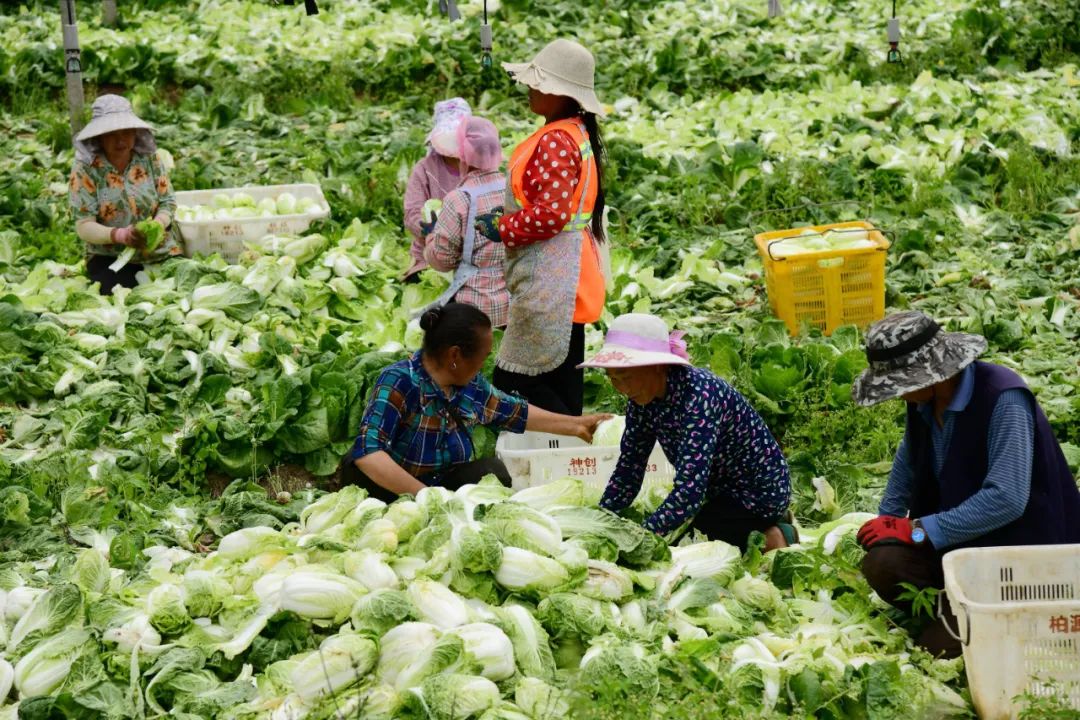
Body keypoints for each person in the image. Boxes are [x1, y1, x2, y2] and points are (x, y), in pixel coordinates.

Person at [852, 310, 1080, 658]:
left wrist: (916, 530)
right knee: (882, 563)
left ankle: (990, 619)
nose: (897, 395)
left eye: (899, 386)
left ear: (928, 374)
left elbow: (1006, 499)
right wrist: (887, 521)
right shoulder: (924, 401)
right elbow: (908, 460)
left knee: (935, 650)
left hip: (1021, 561)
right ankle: (956, 608)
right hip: (962, 550)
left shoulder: (1003, 398)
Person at [342, 302, 609, 502]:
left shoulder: (470, 386)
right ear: (455, 355)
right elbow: (369, 454)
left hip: (440, 482)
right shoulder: (399, 381)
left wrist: (576, 425)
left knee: (494, 472)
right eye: (483, 356)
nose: (484, 364)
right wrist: (425, 498)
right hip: (391, 487)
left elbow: (513, 411)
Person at [580, 313, 796, 552]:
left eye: (627, 377)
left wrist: (642, 537)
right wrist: (601, 518)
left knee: (689, 543)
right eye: (613, 378)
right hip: (716, 493)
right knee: (683, 533)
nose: (622, 388)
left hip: (757, 492)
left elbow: (689, 493)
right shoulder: (641, 401)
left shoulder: (699, 397)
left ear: (657, 366)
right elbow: (630, 466)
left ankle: (775, 534)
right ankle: (752, 526)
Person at [490, 39, 609, 416]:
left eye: (538, 82)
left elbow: (551, 215)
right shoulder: (575, 132)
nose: (529, 87)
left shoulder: (556, 140)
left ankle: (573, 436)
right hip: (569, 275)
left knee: (515, 380)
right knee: (560, 381)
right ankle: (572, 441)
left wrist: (501, 227)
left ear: (560, 93)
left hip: (552, 279)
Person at [68, 94, 182, 294]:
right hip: (111, 257)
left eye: (127, 132)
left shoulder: (149, 159)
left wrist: (157, 225)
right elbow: (84, 226)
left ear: (135, 132)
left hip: (161, 252)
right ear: (99, 137)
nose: (120, 140)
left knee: (180, 286)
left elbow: (168, 202)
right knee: (119, 292)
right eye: (112, 134)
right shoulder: (86, 169)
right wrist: (120, 235)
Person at [422, 117, 510, 328]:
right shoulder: (512, 188)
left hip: (473, 307)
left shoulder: (459, 199)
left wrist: (431, 237)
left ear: (463, 155)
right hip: (513, 301)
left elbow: (443, 261)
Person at [402, 98, 471, 280]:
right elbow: (412, 213)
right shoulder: (424, 169)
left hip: (473, 254)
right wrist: (430, 229)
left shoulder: (478, 165)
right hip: (430, 254)